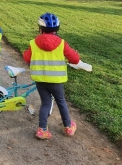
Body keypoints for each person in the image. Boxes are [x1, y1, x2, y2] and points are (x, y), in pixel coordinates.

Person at [23, 12, 80, 140]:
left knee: (45, 103)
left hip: (40, 80)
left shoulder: (33, 42)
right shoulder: (62, 43)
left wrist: (25, 53)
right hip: (56, 81)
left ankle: (42, 130)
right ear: (56, 29)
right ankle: (68, 127)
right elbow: (75, 59)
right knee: (61, 102)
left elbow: (27, 58)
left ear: (40, 28)